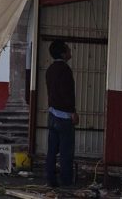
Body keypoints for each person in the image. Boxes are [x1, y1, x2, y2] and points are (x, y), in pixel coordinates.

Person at [45, 40, 78, 189]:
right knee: (66, 152)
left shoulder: (50, 69)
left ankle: (51, 180)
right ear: (63, 53)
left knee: (52, 151)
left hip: (52, 114)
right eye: (68, 49)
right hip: (64, 117)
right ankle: (66, 182)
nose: (70, 51)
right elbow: (67, 94)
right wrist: (72, 112)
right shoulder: (65, 70)